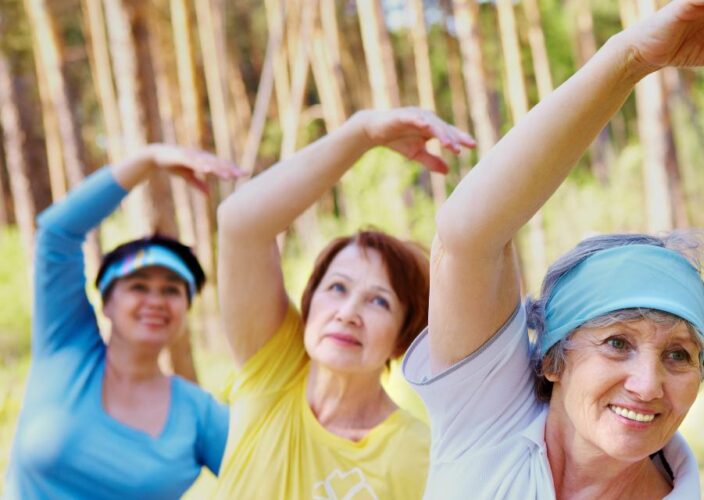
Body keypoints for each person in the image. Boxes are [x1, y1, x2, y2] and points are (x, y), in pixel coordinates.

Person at [401, 0, 704, 497]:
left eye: (678, 355)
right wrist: (630, 59)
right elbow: (469, 235)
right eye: (617, 343)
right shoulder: (488, 422)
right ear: (553, 360)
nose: (647, 384)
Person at [212, 108, 474, 498]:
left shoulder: (420, 456)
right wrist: (362, 133)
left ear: (403, 334)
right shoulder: (273, 368)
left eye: (379, 302)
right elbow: (239, 222)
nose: (348, 313)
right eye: (337, 288)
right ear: (310, 301)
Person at [4, 145, 240, 499]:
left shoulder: (199, 415)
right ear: (107, 302)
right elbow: (56, 233)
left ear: (185, 309)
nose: (156, 301)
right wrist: (148, 160)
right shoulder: (65, 348)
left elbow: (278, 475)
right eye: (138, 286)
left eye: (172, 290)